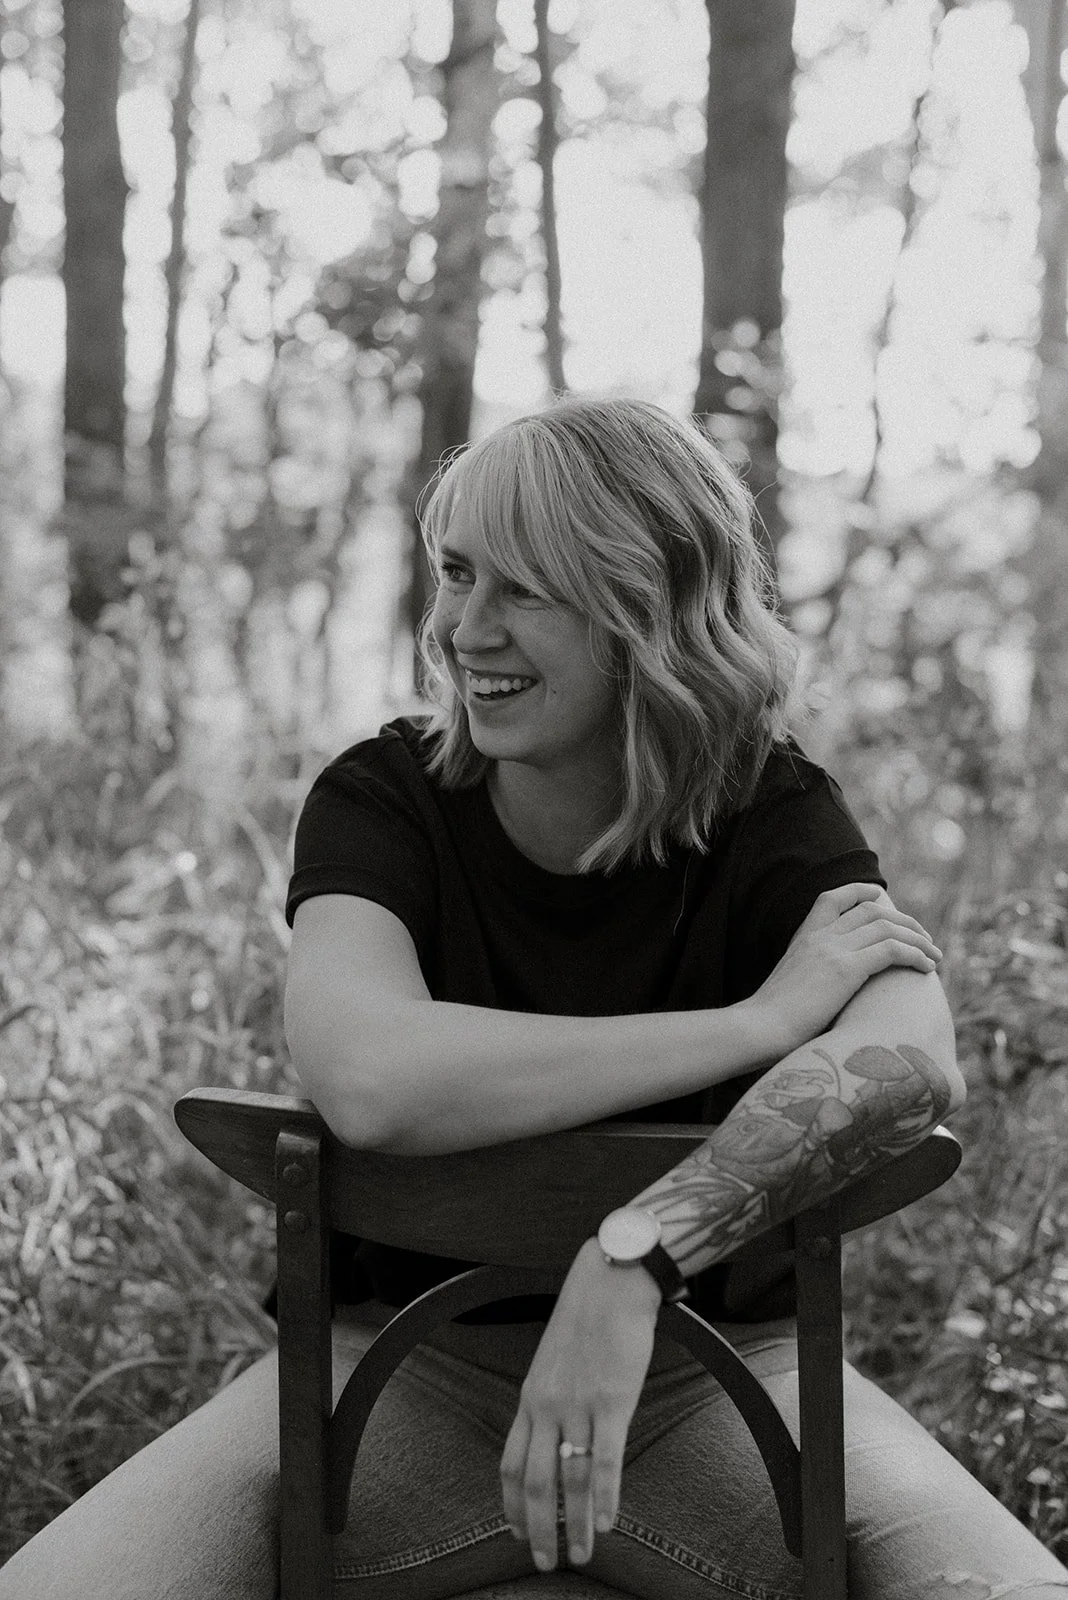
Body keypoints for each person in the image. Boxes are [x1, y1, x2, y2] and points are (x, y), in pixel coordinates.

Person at [3, 396, 1065, 1600]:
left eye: (524, 590)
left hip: (722, 1388)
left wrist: (634, 1259)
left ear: (646, 609)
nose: (463, 628)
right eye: (456, 575)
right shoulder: (382, 797)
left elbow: (910, 1063)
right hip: (384, 1383)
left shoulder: (774, 811)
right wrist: (755, 1026)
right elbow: (372, 1076)